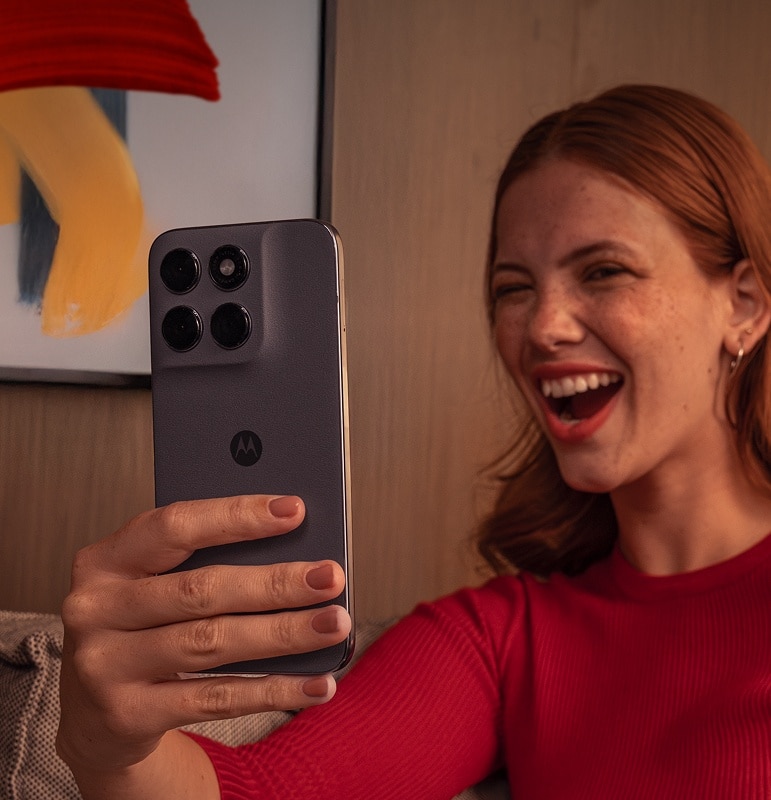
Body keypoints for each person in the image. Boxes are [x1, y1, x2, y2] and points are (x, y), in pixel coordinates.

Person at [56, 84, 771, 799]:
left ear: (743, 304)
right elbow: (264, 793)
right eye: (514, 288)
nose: (543, 327)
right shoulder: (502, 639)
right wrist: (109, 748)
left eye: (604, 271)